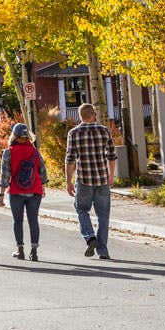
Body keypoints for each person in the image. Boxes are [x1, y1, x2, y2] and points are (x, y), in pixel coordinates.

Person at [65, 103, 117, 260]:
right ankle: (103, 250)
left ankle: (89, 236)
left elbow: (70, 159)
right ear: (93, 114)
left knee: (81, 209)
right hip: (102, 179)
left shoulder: (73, 133)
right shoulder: (104, 131)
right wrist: (111, 175)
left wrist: (68, 181)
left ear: (80, 116)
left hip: (84, 180)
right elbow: (112, 155)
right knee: (103, 216)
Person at [0, 122, 48, 261]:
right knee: (33, 221)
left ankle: (20, 250)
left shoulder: (9, 152)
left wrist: (1, 195)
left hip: (16, 192)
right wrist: (42, 187)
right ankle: (34, 252)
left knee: (17, 221)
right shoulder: (34, 151)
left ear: (14, 136)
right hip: (34, 190)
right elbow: (42, 171)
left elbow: (5, 176)